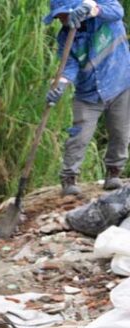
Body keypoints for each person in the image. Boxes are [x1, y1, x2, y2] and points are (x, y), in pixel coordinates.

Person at [43, 0, 130, 195]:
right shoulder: (65, 37)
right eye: (58, 17)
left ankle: (114, 173)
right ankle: (69, 178)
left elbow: (118, 11)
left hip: (120, 84)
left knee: (121, 133)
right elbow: (69, 66)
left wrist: (93, 9)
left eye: (63, 15)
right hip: (88, 93)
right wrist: (60, 85)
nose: (60, 19)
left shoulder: (103, 13)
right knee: (79, 137)